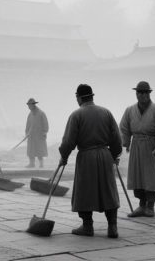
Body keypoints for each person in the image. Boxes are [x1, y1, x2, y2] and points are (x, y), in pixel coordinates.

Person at [59, 84, 122, 238]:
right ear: (92, 96)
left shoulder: (76, 115)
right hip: (105, 155)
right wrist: (114, 155)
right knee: (108, 190)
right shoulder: (106, 112)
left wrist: (64, 156)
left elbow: (68, 141)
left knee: (84, 191)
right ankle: (112, 226)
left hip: (86, 157)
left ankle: (87, 226)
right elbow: (116, 138)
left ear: (79, 98)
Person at [119, 81, 155, 218]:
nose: (141, 95)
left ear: (149, 93)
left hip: (152, 146)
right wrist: (126, 143)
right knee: (138, 176)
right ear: (136, 94)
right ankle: (141, 205)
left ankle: (150, 206)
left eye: (144, 92)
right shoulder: (130, 110)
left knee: (152, 177)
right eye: (139, 92)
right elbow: (124, 128)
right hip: (136, 145)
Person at [24, 98, 48, 168]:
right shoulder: (30, 114)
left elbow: (45, 124)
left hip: (39, 136)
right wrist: (26, 133)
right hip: (31, 136)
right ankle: (32, 164)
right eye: (28, 105)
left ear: (33, 105)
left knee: (39, 151)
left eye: (29, 105)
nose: (28, 107)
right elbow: (28, 125)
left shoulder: (41, 113)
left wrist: (44, 132)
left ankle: (41, 164)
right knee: (31, 151)